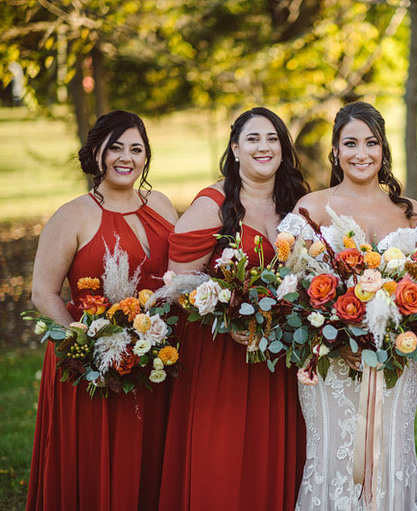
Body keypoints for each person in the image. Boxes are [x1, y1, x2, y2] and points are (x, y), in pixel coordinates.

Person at [157, 107, 310, 510]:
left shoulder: (296, 203)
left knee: (271, 451)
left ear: (283, 148)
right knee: (222, 459)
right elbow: (177, 283)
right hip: (222, 357)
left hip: (279, 357)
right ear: (235, 149)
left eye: (272, 138)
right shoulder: (212, 204)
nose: (264, 146)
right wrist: (228, 319)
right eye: (253, 139)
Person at [280, 101, 417, 510]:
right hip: (329, 365)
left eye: (371, 143)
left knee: (391, 452)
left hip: (394, 364)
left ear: (383, 150)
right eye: (350, 143)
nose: (361, 153)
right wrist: (334, 335)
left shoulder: (411, 213)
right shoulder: (310, 208)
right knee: (331, 454)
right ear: (335, 151)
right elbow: (290, 291)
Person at [27, 111, 178, 510]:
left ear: (147, 157)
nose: (126, 158)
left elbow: (178, 278)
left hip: (152, 360)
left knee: (151, 459)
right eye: (115, 148)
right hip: (91, 367)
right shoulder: (72, 215)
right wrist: (87, 345)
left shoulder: (161, 204)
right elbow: (43, 293)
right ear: (96, 154)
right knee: (97, 465)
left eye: (136, 149)